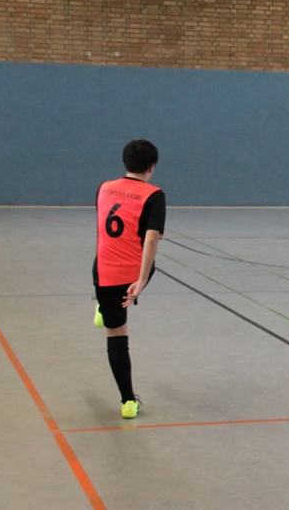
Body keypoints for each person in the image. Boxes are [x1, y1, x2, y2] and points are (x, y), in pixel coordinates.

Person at [93, 139, 165, 419]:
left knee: (116, 333)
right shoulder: (154, 195)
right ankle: (129, 406)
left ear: (125, 162)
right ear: (152, 167)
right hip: (131, 274)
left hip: (104, 274)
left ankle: (127, 400)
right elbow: (152, 239)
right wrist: (142, 280)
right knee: (149, 265)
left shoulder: (104, 188)